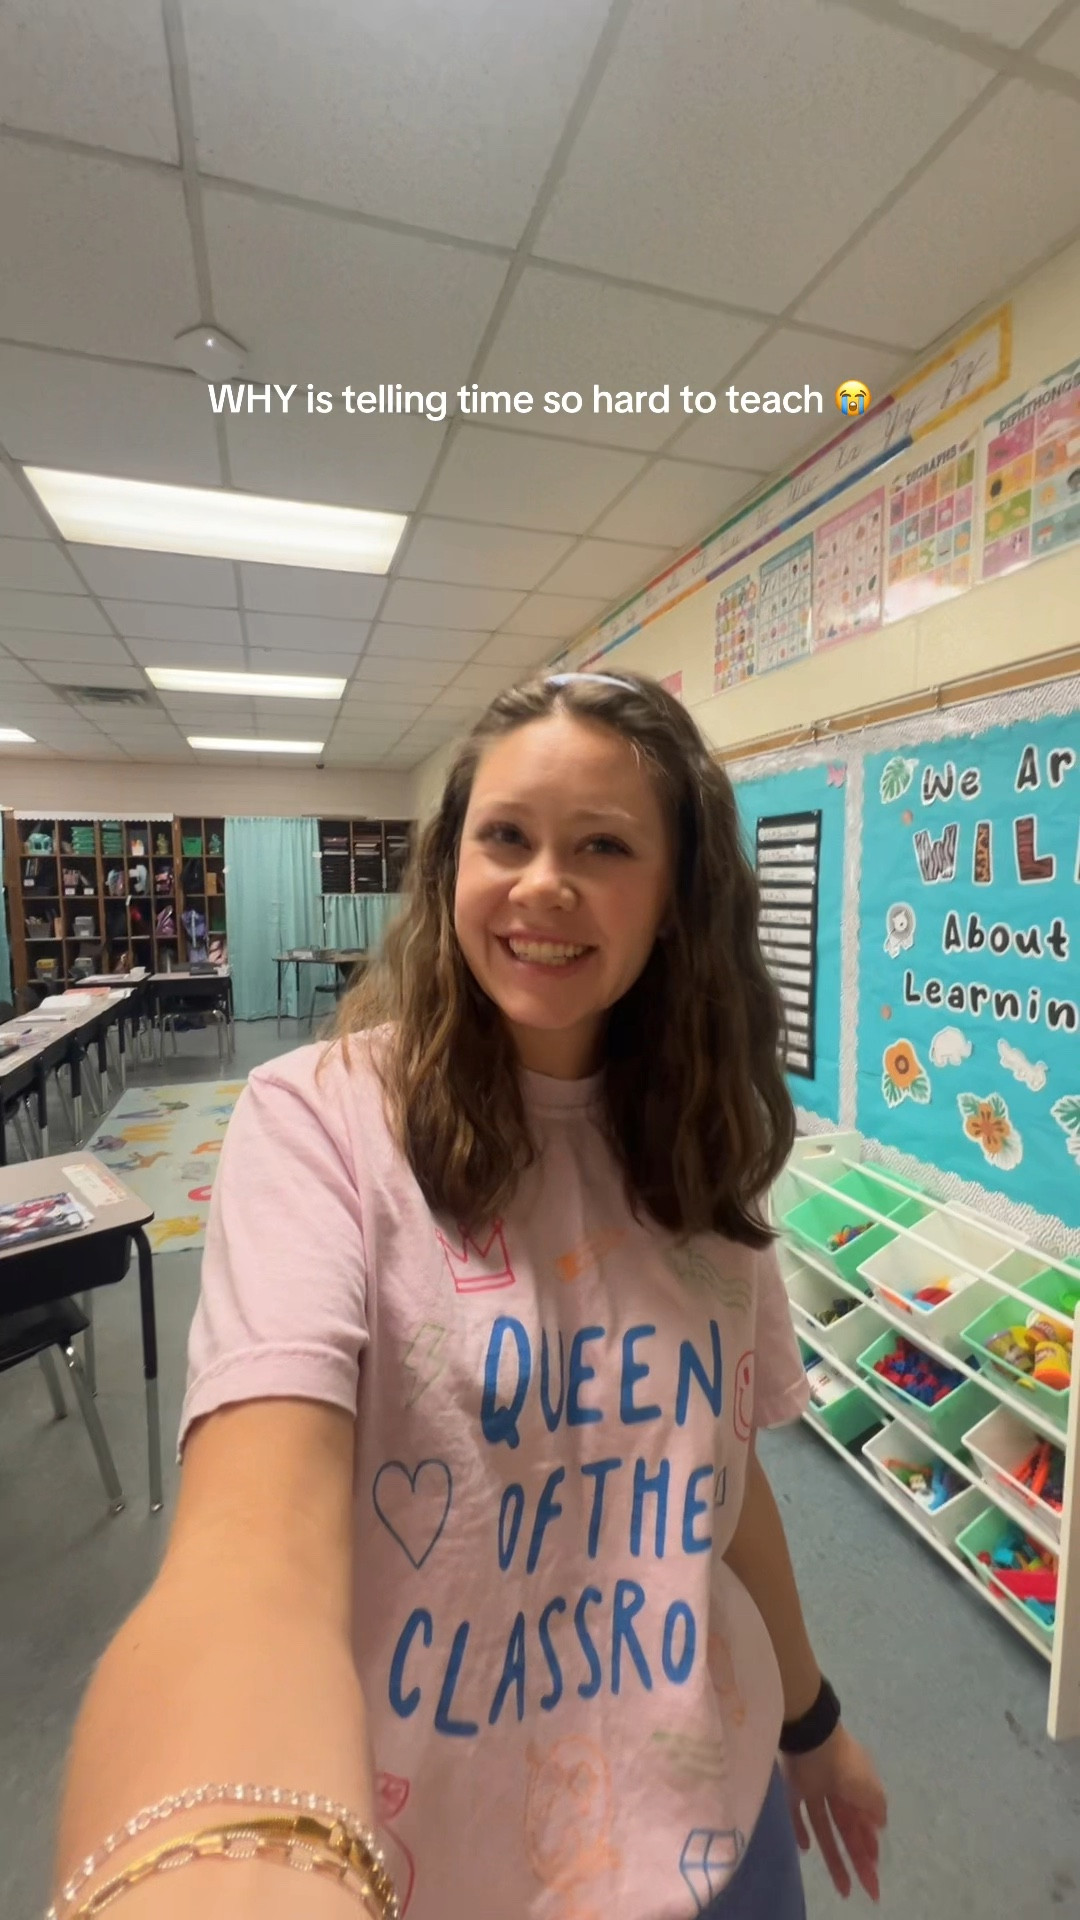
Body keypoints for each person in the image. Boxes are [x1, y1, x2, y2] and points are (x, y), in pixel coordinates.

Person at [51, 671, 886, 1920]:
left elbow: (719, 1467)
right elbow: (251, 1548)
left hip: (718, 1823)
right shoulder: (321, 1125)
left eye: (603, 845)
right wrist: (218, 1846)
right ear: (452, 868)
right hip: (440, 1854)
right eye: (506, 836)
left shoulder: (700, 1140)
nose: (544, 881)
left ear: (673, 902)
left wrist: (812, 1717)